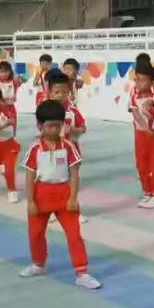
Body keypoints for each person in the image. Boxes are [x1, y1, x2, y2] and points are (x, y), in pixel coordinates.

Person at [19, 100, 102, 290]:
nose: (55, 129)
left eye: (59, 125)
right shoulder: (35, 149)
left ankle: (82, 272)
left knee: (74, 235)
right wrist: (30, 201)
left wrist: (73, 198)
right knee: (35, 234)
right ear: (40, 126)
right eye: (50, 125)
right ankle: (38, 264)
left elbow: (74, 173)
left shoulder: (68, 147)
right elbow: (29, 176)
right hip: (41, 194)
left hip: (64, 194)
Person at [129, 62, 154, 209]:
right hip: (141, 135)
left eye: (143, 80)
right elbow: (136, 114)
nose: (139, 83)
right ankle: (147, 192)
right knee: (141, 165)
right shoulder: (133, 95)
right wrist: (145, 129)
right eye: (137, 79)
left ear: (151, 81)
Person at [47, 70, 87, 154]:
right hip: (51, 151)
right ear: (50, 93)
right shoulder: (46, 111)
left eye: (65, 92)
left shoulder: (73, 111)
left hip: (71, 151)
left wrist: (74, 130)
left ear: (69, 92)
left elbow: (83, 128)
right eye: (57, 92)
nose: (61, 95)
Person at [0, 61, 22, 132]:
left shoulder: (13, 82)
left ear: (10, 72)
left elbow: (20, 80)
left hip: (11, 107)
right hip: (0, 107)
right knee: (0, 123)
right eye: (1, 72)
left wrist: (17, 77)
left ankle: (11, 137)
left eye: (6, 71)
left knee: (12, 123)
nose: (4, 74)